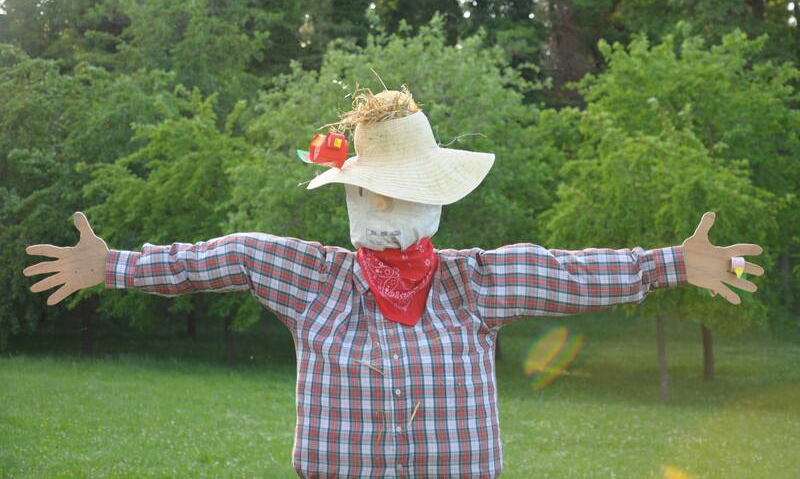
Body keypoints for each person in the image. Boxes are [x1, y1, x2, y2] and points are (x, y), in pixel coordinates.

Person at [24, 88, 763, 478]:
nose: (381, 207)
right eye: (369, 191)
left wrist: (672, 261)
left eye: (400, 192)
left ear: (436, 197)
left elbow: (570, 271)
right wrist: (114, 263)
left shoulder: (476, 283)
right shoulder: (311, 278)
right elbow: (218, 256)